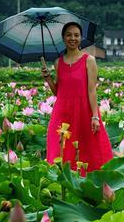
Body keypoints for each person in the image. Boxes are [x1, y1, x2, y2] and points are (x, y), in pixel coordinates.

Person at [41, 22, 113, 175]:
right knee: (59, 149)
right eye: (69, 35)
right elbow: (59, 92)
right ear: (63, 38)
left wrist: (95, 116)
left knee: (89, 149)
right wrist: (48, 80)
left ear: (81, 38)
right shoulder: (58, 62)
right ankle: (63, 183)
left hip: (83, 111)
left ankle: (90, 183)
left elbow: (92, 90)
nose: (72, 38)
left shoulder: (89, 60)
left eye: (76, 35)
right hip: (62, 113)